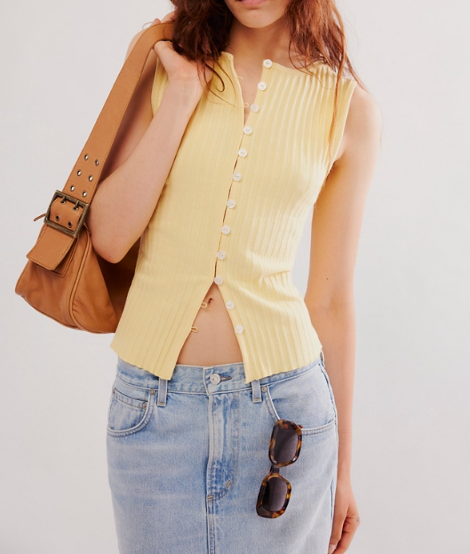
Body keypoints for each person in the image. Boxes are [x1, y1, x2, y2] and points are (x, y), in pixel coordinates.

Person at [88, 1, 381, 552]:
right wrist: (181, 96)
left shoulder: (348, 109)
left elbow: (332, 300)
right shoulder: (164, 62)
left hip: (285, 417)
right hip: (153, 412)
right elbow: (110, 236)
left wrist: (342, 472)